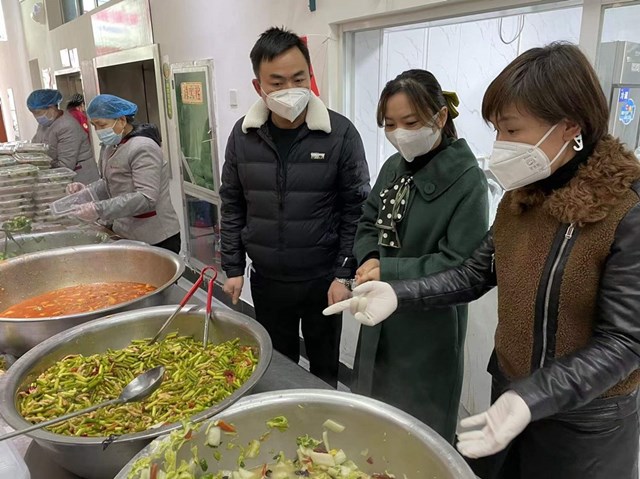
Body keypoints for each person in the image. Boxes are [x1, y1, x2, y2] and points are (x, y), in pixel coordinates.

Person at [325, 42, 640, 479]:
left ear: (570, 126)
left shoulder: (624, 210)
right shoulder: (523, 196)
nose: (500, 145)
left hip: (583, 421)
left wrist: (531, 397)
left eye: (511, 130)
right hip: (509, 392)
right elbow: (475, 272)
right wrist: (399, 293)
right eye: (497, 130)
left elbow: (625, 341)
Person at [220, 27, 370, 387]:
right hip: (268, 279)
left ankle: (324, 422)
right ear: (259, 86)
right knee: (277, 363)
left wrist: (344, 274)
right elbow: (233, 203)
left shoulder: (340, 134)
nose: (290, 89)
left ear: (310, 76)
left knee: (324, 367)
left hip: (323, 280)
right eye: (277, 82)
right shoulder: (243, 135)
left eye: (299, 79)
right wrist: (233, 267)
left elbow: (356, 210)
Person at [352, 69, 488, 443]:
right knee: (371, 414)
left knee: (418, 429)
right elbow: (368, 221)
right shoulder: (393, 168)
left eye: (410, 123)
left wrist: (388, 269)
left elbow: (461, 263)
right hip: (379, 314)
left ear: (440, 117)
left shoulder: (467, 181)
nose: (400, 133)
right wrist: (369, 258)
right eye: (390, 124)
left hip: (429, 326)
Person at [66, 94, 181, 254]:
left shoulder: (143, 147)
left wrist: (98, 209)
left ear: (121, 120)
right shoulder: (110, 146)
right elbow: (110, 181)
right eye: (94, 125)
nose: (98, 131)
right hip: (126, 232)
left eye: (102, 125)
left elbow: (146, 198)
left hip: (155, 237)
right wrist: (87, 192)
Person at [27, 88, 98, 184]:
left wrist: (42, 166)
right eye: (34, 113)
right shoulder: (44, 124)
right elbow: (36, 146)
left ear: (51, 107)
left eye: (38, 113)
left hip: (79, 177)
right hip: (58, 176)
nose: (37, 117)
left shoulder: (67, 126)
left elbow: (65, 165)